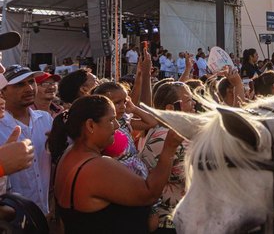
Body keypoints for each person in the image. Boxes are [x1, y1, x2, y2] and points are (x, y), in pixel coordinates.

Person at [48, 95, 182, 234]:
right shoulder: (96, 166)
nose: (117, 126)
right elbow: (150, 193)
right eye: (111, 120)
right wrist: (169, 148)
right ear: (90, 125)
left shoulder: (71, 153)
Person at [140, 82, 193, 233]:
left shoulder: (160, 129)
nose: (193, 104)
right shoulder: (168, 137)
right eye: (188, 100)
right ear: (170, 108)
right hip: (170, 222)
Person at [0, 65, 53, 214]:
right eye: (19, 84)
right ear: (3, 91)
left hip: (43, 214)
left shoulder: (46, 119)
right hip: (11, 218)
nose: (29, 88)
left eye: (31, 82)